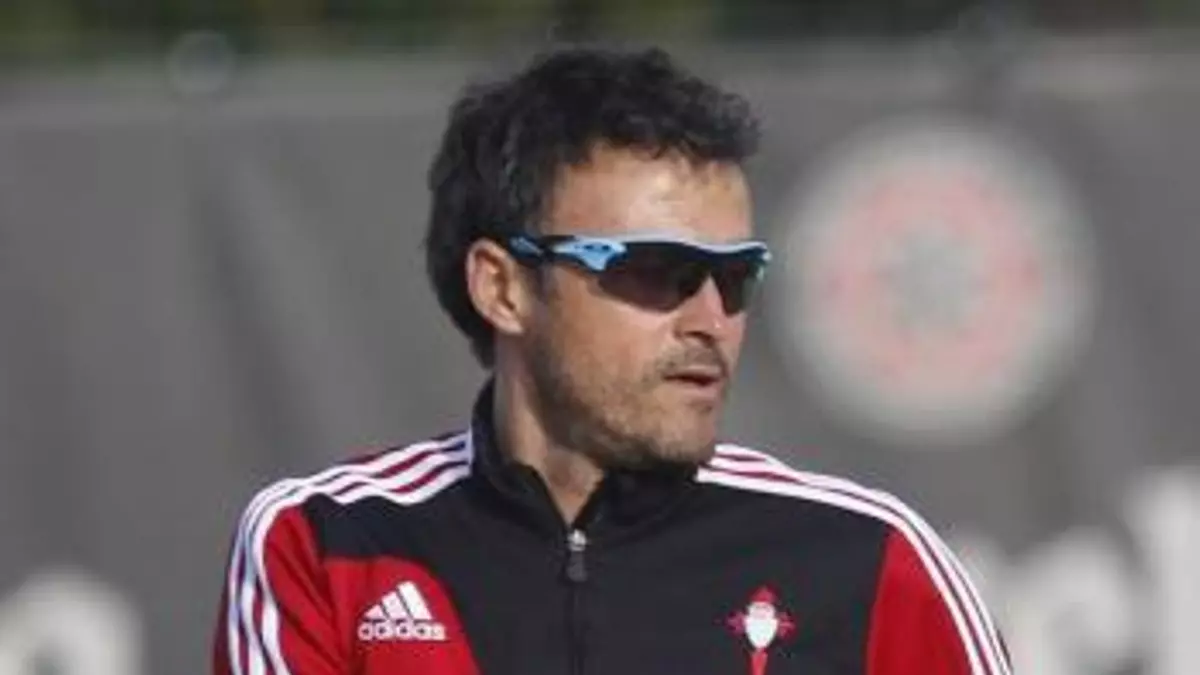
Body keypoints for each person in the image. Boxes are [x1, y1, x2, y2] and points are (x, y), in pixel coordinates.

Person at [212, 46, 1013, 675]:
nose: (711, 320)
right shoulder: (326, 542)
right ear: (503, 287)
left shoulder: (869, 558)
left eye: (735, 277)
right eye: (657, 269)